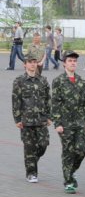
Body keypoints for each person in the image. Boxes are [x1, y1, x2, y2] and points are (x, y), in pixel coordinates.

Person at [52, 50, 85, 194]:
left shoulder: (82, 81)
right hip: (65, 122)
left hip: (80, 121)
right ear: (64, 64)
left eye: (74, 61)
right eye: (70, 61)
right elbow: (55, 103)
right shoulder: (58, 81)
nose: (73, 63)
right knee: (68, 151)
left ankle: (71, 170)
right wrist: (57, 123)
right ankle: (68, 181)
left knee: (82, 148)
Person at [12, 53, 51, 183]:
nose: (33, 64)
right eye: (30, 62)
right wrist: (17, 119)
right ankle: (31, 173)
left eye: (35, 62)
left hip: (41, 119)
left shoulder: (43, 80)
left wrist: (49, 116)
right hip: (26, 120)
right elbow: (16, 100)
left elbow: (48, 99)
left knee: (43, 144)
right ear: (25, 64)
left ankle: (32, 161)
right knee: (29, 148)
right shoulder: (19, 81)